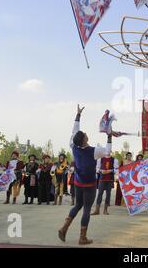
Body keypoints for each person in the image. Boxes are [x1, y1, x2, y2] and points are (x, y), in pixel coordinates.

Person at [58, 105, 113, 245]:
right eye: (84, 134)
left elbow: (74, 130)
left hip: (78, 183)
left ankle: (64, 228)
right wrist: (109, 136)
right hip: (89, 185)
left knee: (77, 206)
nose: (85, 133)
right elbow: (108, 152)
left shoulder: (74, 146)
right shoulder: (94, 151)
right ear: (84, 140)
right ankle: (82, 238)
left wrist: (78, 115)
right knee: (86, 209)